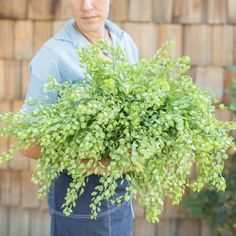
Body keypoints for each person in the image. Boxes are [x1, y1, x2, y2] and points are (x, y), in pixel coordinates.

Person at [20, 0, 139, 235]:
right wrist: (99, 165)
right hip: (79, 202)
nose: (86, 6)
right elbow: (27, 144)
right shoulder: (53, 55)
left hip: (122, 195)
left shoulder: (124, 42)